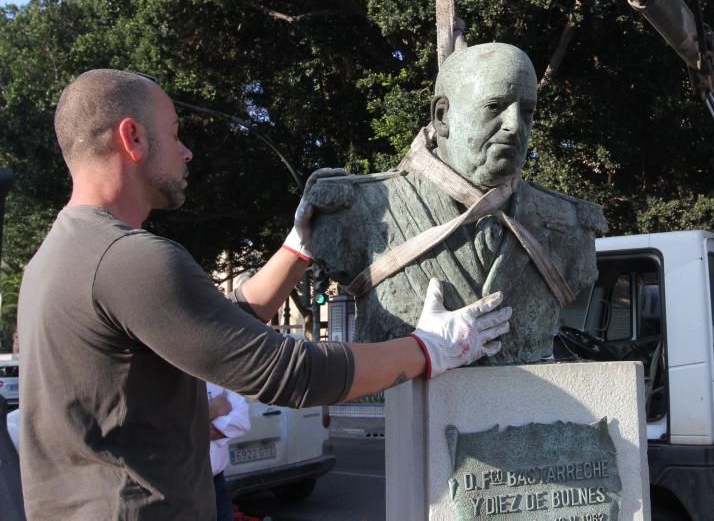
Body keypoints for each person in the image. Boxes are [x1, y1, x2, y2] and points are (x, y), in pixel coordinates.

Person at [17, 69, 512, 519]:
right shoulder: (130, 259)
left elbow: (220, 327)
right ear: (133, 137)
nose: (187, 151)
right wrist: (431, 349)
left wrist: (299, 247)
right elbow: (287, 373)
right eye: (174, 134)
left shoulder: (59, 255)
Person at [307, 43, 607, 364]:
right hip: (405, 409)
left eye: (527, 111)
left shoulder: (570, 223)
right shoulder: (359, 208)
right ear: (442, 116)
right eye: (495, 106)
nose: (515, 125)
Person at [206, 384, 250, 521]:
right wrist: (214, 409)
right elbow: (173, 425)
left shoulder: (215, 376)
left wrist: (199, 431)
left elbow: (243, 421)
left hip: (217, 483)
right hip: (183, 485)